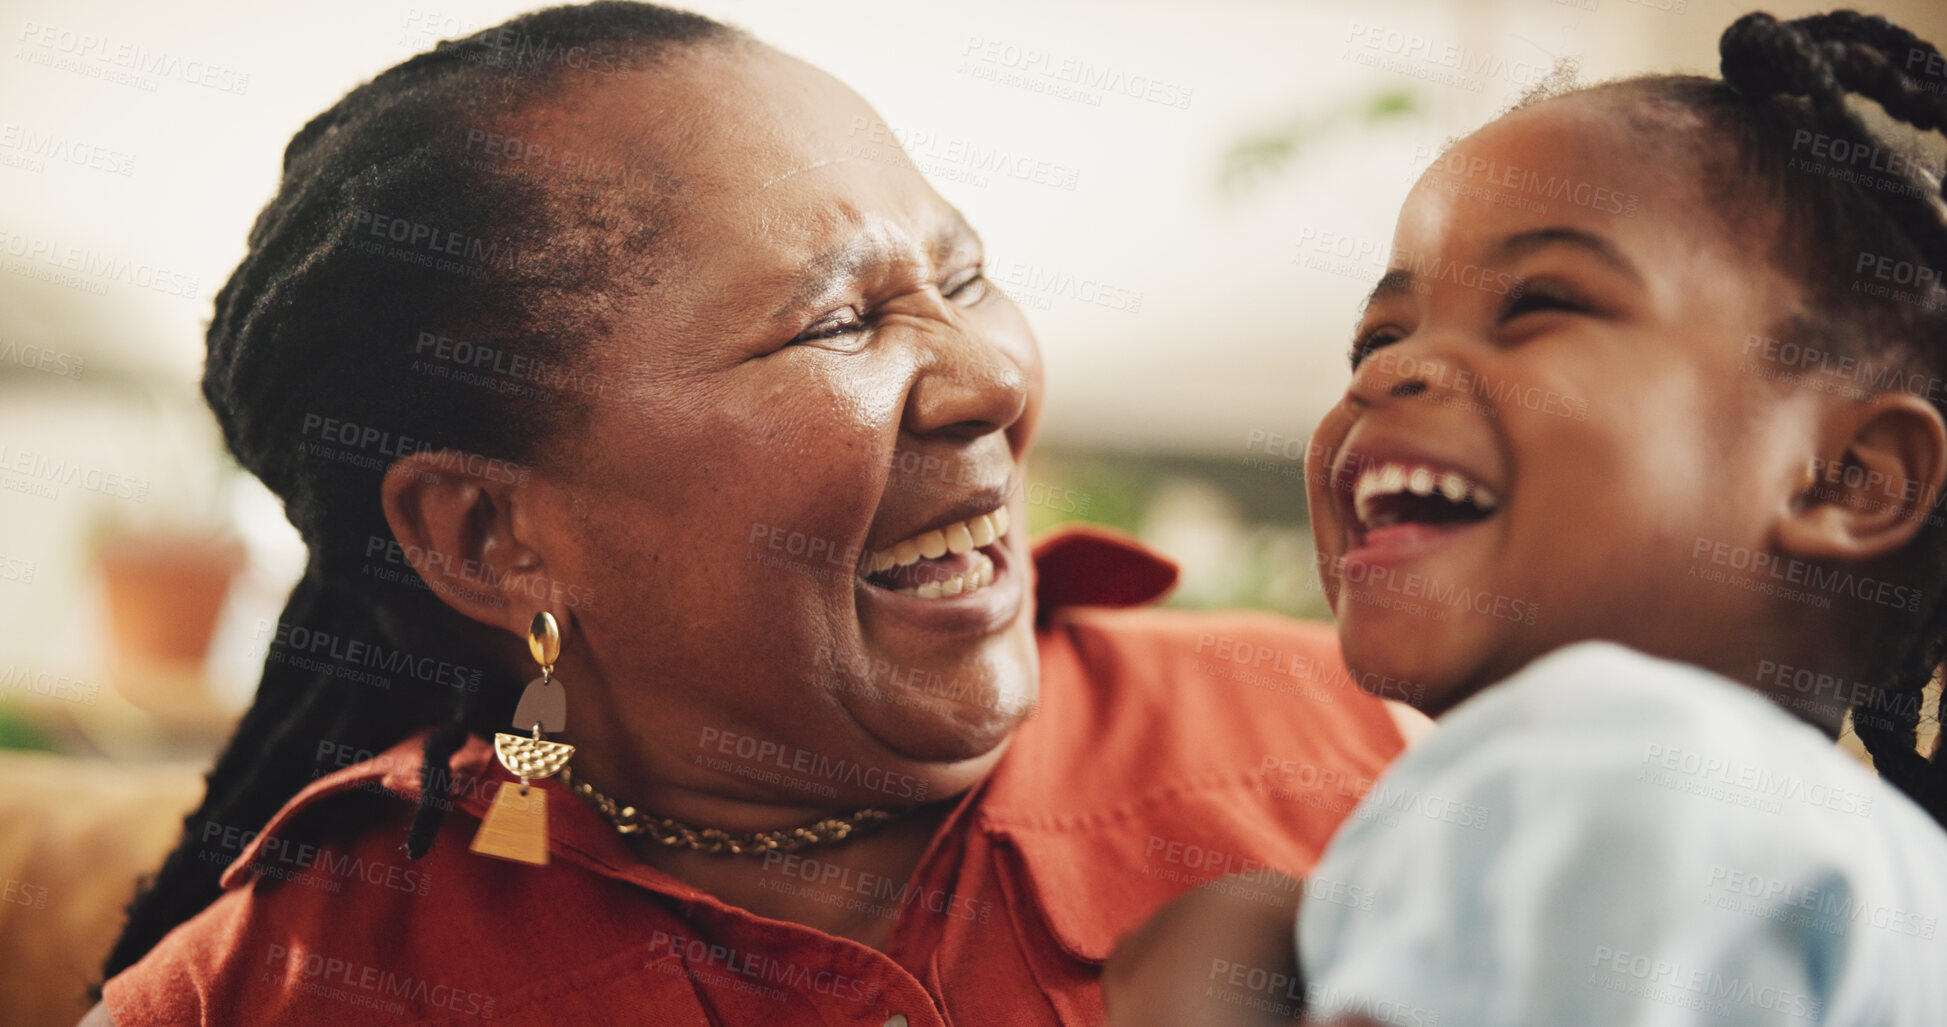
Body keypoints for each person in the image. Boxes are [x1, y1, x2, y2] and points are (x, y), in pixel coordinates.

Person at [85, 4, 1412, 1025]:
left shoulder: (1367, 741)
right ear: (491, 536)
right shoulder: (280, 986)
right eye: (839, 320)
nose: (993, 378)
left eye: (966, 276)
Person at [1105, 9, 1947, 1025]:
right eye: (1377, 335)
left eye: (1542, 301)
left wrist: (1201, 996)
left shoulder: (1611, 752)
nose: (1390, 372)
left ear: (1842, 477)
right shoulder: (1859, 861)